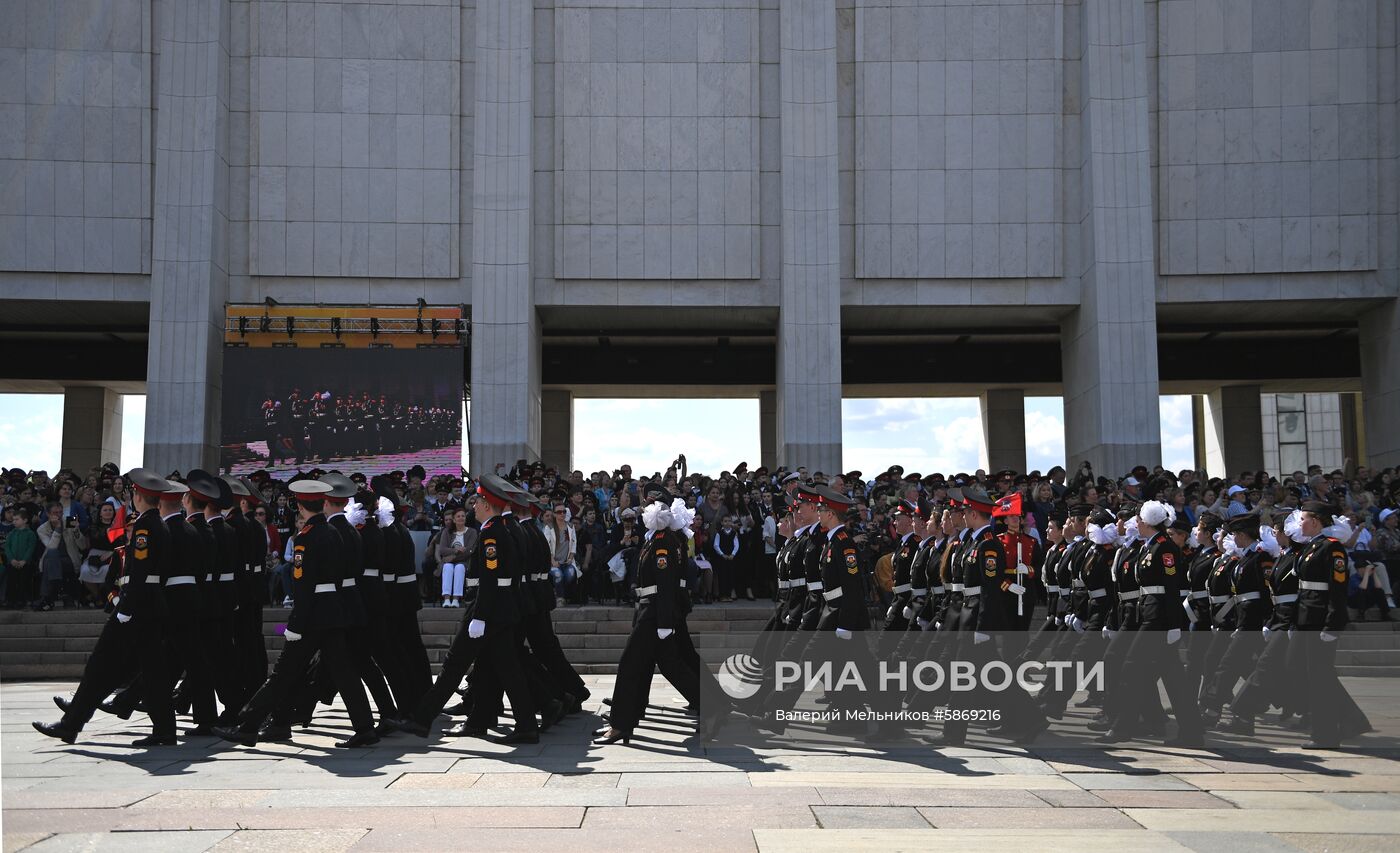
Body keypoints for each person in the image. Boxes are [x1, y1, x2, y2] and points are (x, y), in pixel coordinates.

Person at [214, 479, 378, 749]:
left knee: (283, 672)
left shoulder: (306, 537)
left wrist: (296, 623)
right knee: (343, 672)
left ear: (301, 506)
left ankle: (249, 725)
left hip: (312, 616)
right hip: (333, 611)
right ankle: (363, 727)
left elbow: (304, 586)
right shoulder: (334, 532)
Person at [35, 469, 175, 747]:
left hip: (138, 607)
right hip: (151, 607)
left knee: (101, 665)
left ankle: (71, 724)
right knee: (152, 670)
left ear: (137, 496)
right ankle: (164, 730)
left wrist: (125, 608)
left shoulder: (147, 526)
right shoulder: (160, 524)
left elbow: (140, 573)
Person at [401, 475, 539, 744]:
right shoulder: (509, 527)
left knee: (455, 663)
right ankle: (487, 721)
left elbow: (490, 580)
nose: (473, 506)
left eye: (477, 502)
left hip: (489, 610)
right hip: (503, 609)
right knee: (496, 669)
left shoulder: (491, 533)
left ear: (487, 504)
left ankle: (422, 720)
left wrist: (480, 617)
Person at [436, 507, 476, 608]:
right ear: (454, 520)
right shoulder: (446, 532)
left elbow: (469, 550)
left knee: (459, 567)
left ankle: (455, 599)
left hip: (465, 562)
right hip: (448, 562)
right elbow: (442, 550)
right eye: (458, 516)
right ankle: (446, 599)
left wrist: (452, 557)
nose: (461, 518)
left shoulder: (472, 532)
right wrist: (456, 551)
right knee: (448, 567)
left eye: (463, 516)